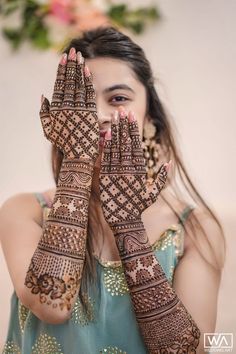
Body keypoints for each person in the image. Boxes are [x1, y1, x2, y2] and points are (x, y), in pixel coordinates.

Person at [0, 26, 225, 354]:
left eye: (118, 99)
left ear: (150, 116)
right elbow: (51, 305)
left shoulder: (195, 229)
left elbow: (192, 351)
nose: (100, 117)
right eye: (84, 103)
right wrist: (77, 159)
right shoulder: (25, 211)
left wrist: (127, 223)